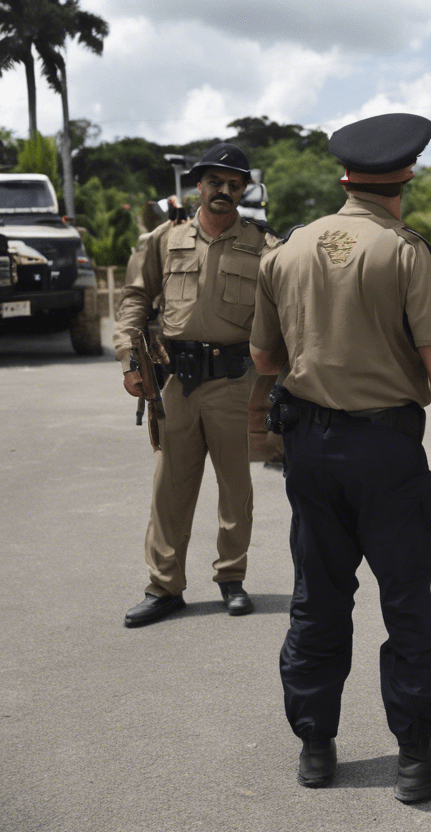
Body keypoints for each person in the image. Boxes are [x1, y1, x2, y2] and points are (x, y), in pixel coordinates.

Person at [250, 112, 431, 804]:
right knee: (405, 599)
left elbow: (264, 359)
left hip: (310, 451)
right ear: (405, 177)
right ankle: (416, 756)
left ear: (344, 177)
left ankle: (316, 746)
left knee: (317, 596)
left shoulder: (286, 252)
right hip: (385, 450)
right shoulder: (406, 252)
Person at [114, 143, 279, 627]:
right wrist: (129, 361)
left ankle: (231, 578)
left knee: (235, 489)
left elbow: (291, 303)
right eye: (215, 183)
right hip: (175, 382)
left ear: (244, 190)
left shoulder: (265, 246)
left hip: (233, 381)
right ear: (199, 185)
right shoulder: (164, 240)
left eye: (233, 184)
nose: (223, 191)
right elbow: (134, 300)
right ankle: (163, 588)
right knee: (170, 489)